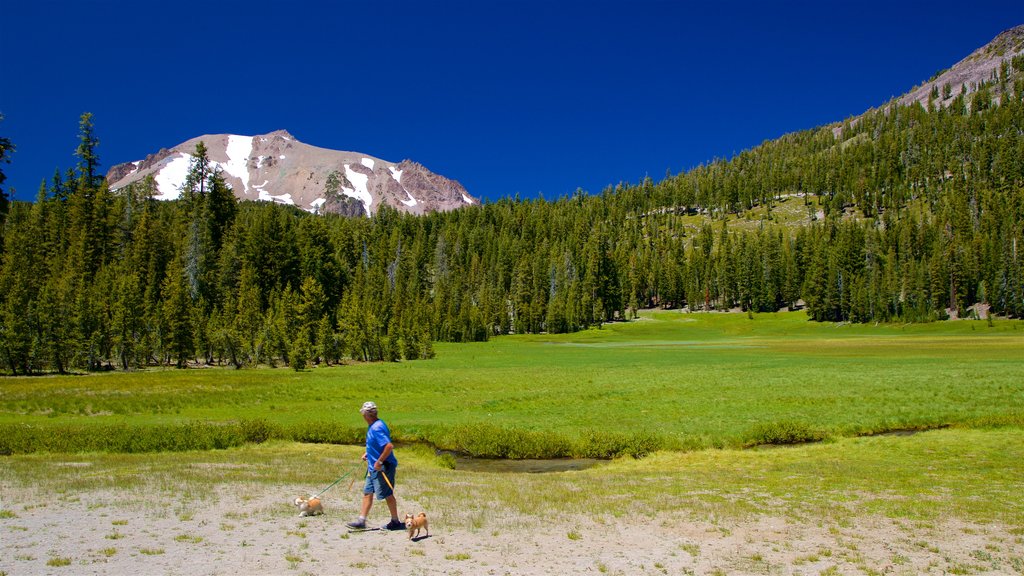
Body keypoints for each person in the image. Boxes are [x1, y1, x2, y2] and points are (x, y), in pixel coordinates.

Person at [346, 401, 403, 531]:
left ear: (367, 415)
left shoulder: (377, 427)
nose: (362, 416)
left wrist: (379, 462)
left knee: (387, 493)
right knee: (367, 492)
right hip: (372, 468)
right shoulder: (373, 425)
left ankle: (395, 521)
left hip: (383, 467)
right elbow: (377, 445)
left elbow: (388, 446)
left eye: (363, 413)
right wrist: (368, 453)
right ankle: (361, 521)